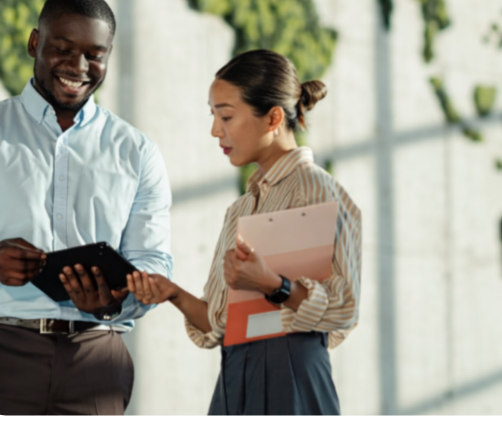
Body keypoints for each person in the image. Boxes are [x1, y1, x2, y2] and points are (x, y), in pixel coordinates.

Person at [126, 49, 361, 417]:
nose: (215, 130)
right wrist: (172, 294)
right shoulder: (240, 209)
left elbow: (344, 309)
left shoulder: (315, 188)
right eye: (214, 116)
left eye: (227, 116)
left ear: (273, 118)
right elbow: (220, 323)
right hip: (236, 372)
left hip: (293, 373)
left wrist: (273, 284)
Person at [0, 0, 173, 417]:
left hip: (96, 361)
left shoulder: (137, 151)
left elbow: (154, 263)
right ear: (35, 43)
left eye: (95, 54)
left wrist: (112, 301)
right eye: (63, 49)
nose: (78, 67)